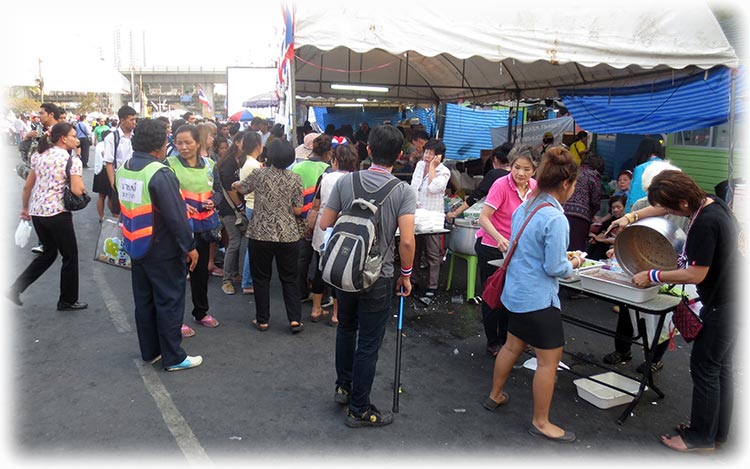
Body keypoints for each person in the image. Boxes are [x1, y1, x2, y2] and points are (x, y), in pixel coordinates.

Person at [625, 170, 738, 453]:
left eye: (673, 207)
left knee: (705, 368)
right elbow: (661, 206)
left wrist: (653, 275)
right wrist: (630, 217)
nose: (671, 212)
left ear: (684, 203)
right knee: (720, 367)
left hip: (723, 304)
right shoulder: (710, 202)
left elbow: (695, 274)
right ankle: (716, 432)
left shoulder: (705, 224)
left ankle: (699, 439)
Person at [319, 124, 416, 428]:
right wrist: (406, 275)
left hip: (346, 270)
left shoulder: (346, 183)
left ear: (368, 150)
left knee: (346, 328)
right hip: (379, 275)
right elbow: (408, 241)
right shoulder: (403, 191)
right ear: (399, 156)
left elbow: (325, 222)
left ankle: (344, 387)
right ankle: (360, 408)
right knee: (369, 343)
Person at [484, 146, 581, 443]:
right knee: (548, 362)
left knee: (512, 346)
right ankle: (541, 421)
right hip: (539, 299)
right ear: (565, 183)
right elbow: (554, 267)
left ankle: (495, 395)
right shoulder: (555, 217)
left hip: (517, 293)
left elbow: (526, 247)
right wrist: (574, 262)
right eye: (573, 184)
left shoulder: (525, 205)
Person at [114, 118, 202, 371]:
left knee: (144, 301)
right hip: (162, 249)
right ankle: (173, 357)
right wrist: (190, 246)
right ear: (161, 144)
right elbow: (176, 217)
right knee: (169, 301)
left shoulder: (125, 168)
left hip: (135, 243)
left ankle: (150, 351)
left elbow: (117, 204)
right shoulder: (160, 172)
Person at [602, 161, 688, 371]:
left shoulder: (684, 212)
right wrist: (618, 248)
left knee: (662, 316)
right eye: (650, 192)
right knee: (626, 308)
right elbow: (629, 234)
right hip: (639, 263)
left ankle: (653, 359)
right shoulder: (640, 205)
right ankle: (623, 350)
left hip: (671, 269)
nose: (655, 199)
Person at [8, 123, 88, 310]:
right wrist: (82, 187)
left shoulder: (39, 156)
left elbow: (28, 186)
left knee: (49, 253)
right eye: (74, 136)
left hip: (38, 212)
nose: (77, 139)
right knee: (70, 256)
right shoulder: (71, 160)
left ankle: (16, 288)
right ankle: (67, 300)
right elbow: (77, 190)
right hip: (58, 213)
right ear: (63, 138)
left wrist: (25, 208)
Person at [233, 140, 304, 333]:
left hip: (260, 233)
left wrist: (236, 184)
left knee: (261, 278)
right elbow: (298, 210)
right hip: (288, 234)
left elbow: (243, 188)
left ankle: (262, 320)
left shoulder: (259, 174)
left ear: (269, 155)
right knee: (289, 278)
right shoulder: (295, 178)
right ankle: (294, 320)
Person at [475, 145, 538, 356]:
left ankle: (506, 339)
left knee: (510, 296)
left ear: (534, 170)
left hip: (517, 251)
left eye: (527, 169)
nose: (520, 173)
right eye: (517, 167)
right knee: (493, 295)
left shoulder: (535, 188)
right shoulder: (501, 185)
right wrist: (499, 237)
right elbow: (483, 218)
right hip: (492, 247)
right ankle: (493, 341)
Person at [166, 124, 223, 336]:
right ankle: (176, 320)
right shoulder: (169, 164)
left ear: (198, 143)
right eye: (178, 142)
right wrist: (180, 205)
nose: (183, 147)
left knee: (200, 274)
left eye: (188, 142)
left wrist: (213, 201)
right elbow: (165, 193)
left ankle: (201, 312)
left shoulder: (210, 165)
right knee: (178, 274)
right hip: (180, 229)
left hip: (204, 227)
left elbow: (218, 190)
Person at [308, 142, 360, 325]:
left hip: (323, 228)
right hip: (344, 229)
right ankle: (336, 315)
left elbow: (316, 203)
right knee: (339, 271)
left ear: (335, 160)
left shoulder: (325, 177)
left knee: (319, 269)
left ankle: (316, 309)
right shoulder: (355, 180)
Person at [293, 134, 333, 303]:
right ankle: (321, 295)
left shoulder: (297, 168)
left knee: (302, 258)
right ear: (329, 152)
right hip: (320, 220)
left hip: (299, 217)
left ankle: (300, 292)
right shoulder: (328, 171)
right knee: (320, 258)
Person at [409, 138, 451, 301]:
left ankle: (432, 286)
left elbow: (433, 188)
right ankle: (414, 280)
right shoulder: (419, 165)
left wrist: (432, 167)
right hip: (416, 213)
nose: (427, 156)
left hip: (433, 216)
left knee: (433, 252)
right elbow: (414, 186)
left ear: (439, 157)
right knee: (415, 249)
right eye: (426, 152)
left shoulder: (444, 171)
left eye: (431, 154)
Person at [216, 130, 250, 295]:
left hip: (236, 207)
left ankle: (234, 274)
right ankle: (227, 280)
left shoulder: (239, 160)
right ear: (237, 142)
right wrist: (240, 206)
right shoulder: (229, 162)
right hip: (230, 208)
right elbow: (230, 189)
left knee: (236, 241)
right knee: (234, 242)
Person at [446, 142, 512, 221]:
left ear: (495, 160)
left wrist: (455, 213)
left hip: (498, 219)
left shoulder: (494, 174)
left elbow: (475, 196)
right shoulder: (521, 177)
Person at [237, 131, 262, 295]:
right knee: (254, 247)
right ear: (258, 146)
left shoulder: (248, 162)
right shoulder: (253, 165)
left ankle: (248, 280)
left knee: (253, 246)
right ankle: (247, 282)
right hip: (255, 206)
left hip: (250, 205)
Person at [562, 153, 602, 251]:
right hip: (580, 217)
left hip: (562, 211)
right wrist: (591, 215)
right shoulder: (594, 175)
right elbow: (595, 200)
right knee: (575, 250)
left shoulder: (572, 172)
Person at [104, 105, 138, 214]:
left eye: (135, 119)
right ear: (122, 120)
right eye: (131, 119)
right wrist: (113, 184)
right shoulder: (112, 138)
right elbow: (109, 162)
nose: (134, 122)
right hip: (120, 180)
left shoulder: (137, 136)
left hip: (136, 179)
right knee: (117, 213)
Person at [625, 137, 663, 212]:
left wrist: (629, 216)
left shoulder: (642, 168)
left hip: (643, 213)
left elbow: (636, 196)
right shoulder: (668, 166)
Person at [586, 195, 626, 261]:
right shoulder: (609, 222)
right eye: (613, 208)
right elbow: (602, 234)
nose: (615, 210)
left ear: (624, 207)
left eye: (618, 207)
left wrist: (604, 240)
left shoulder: (627, 222)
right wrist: (595, 239)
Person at [92, 130, 113, 221]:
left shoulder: (99, 145)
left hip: (98, 172)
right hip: (105, 171)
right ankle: (113, 216)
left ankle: (101, 216)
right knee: (111, 196)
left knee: (101, 196)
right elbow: (105, 156)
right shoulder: (105, 145)